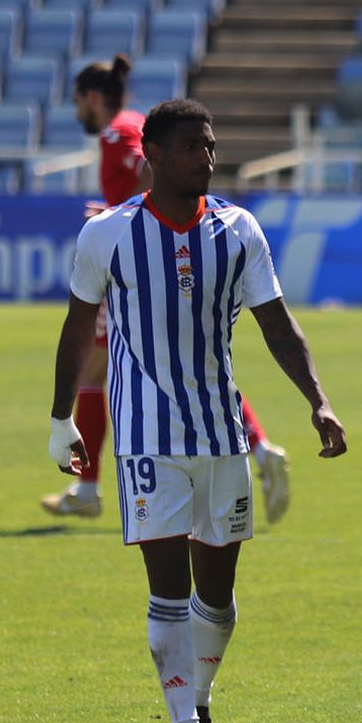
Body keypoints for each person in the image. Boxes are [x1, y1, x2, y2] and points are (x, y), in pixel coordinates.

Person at [48, 99, 347, 723]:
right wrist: (61, 418)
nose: (205, 158)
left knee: (218, 596)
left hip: (221, 435)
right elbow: (76, 329)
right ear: (151, 155)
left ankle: (201, 700)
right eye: (190, 147)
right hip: (146, 439)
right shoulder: (108, 235)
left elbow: (277, 324)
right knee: (168, 591)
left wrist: (318, 402)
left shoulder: (239, 230)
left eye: (210, 145)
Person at [41, 56, 292, 525]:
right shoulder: (132, 125)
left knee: (102, 374)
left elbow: (146, 175)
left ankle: (89, 487)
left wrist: (125, 216)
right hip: (152, 258)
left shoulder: (118, 133)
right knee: (190, 364)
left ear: (93, 98)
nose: (78, 113)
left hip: (138, 263)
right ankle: (256, 449)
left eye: (78, 102)